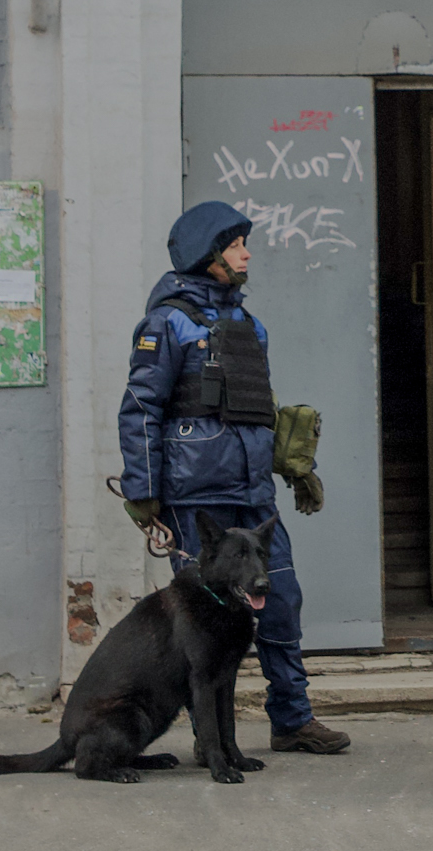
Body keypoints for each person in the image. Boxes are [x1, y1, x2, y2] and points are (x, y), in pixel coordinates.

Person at [115, 199, 350, 756]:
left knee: (281, 602)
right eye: (236, 244)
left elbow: (256, 407)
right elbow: (140, 407)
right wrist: (143, 491)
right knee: (206, 626)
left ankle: (292, 720)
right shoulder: (166, 322)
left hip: (254, 496)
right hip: (197, 497)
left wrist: (293, 465)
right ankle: (212, 740)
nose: (247, 253)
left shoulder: (250, 324)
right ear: (208, 255)